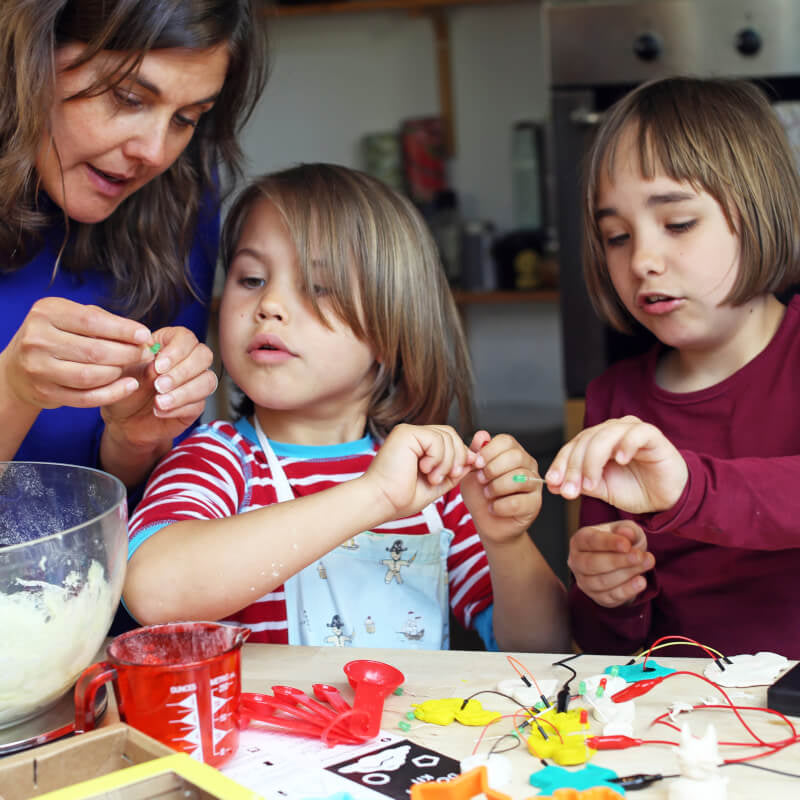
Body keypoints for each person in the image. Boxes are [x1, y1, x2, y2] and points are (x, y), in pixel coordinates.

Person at [124, 163, 569, 652]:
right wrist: (375, 496)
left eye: (318, 287)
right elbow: (152, 590)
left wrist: (506, 541)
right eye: (251, 278)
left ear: (389, 330)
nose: (269, 303)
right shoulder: (218, 460)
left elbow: (544, 651)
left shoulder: (436, 484)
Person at [545, 76, 800, 658]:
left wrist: (690, 488)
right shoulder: (613, 399)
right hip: (678, 727)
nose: (642, 260)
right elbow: (605, 646)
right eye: (615, 236)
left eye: (678, 224)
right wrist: (608, 592)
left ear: (762, 212)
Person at [0, 0, 269, 493]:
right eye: (128, 98)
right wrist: (12, 391)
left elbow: (137, 507)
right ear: (33, 57)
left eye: (186, 118)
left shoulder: (183, 198)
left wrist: (134, 441)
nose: (154, 151)